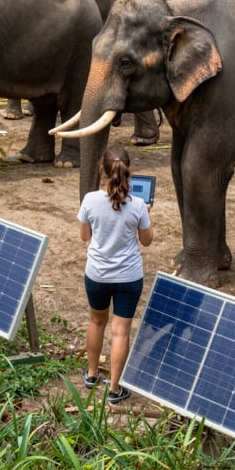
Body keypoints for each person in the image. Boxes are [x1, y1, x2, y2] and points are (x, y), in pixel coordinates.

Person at [77, 145, 154, 404]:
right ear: (129, 172)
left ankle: (91, 373)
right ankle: (115, 389)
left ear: (103, 170)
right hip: (128, 277)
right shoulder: (139, 205)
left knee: (96, 322)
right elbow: (147, 242)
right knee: (121, 332)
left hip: (97, 273)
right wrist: (145, 217)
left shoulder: (89, 200)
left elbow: (84, 236)